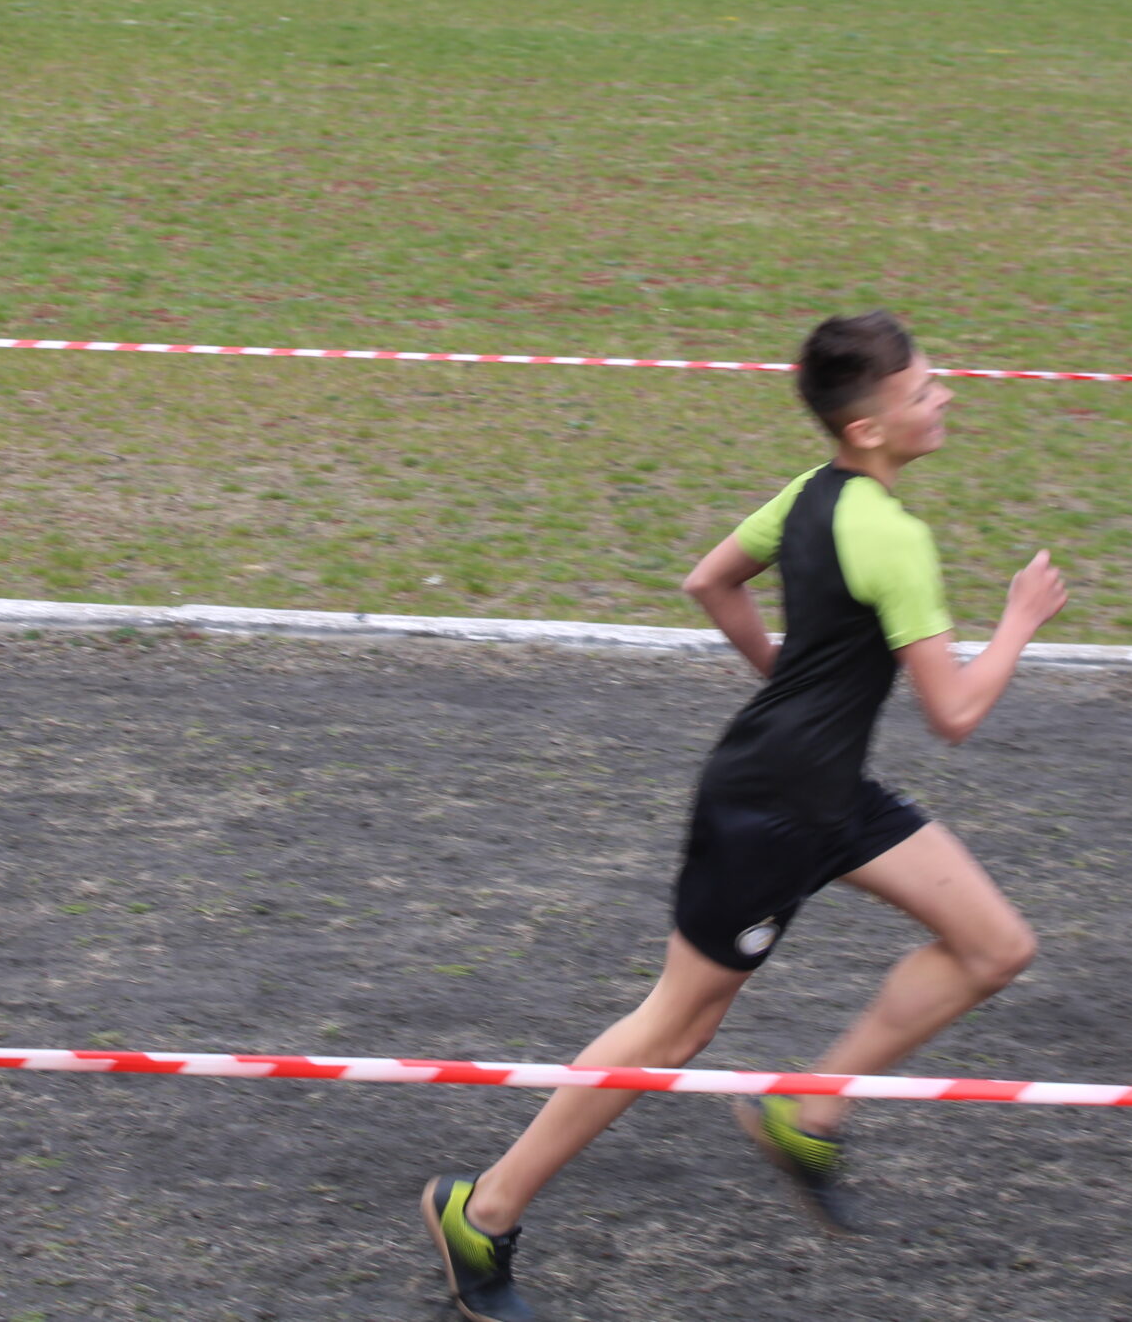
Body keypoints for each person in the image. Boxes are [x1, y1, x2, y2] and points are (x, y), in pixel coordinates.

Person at [421, 309, 1070, 1321]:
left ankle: (805, 1109)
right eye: (923, 389)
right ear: (868, 427)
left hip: (828, 791)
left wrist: (785, 681)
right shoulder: (895, 538)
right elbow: (954, 713)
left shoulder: (810, 493)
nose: (944, 396)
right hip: (771, 809)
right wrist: (1019, 621)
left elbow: (710, 580)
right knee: (675, 1027)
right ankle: (481, 1210)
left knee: (993, 946)